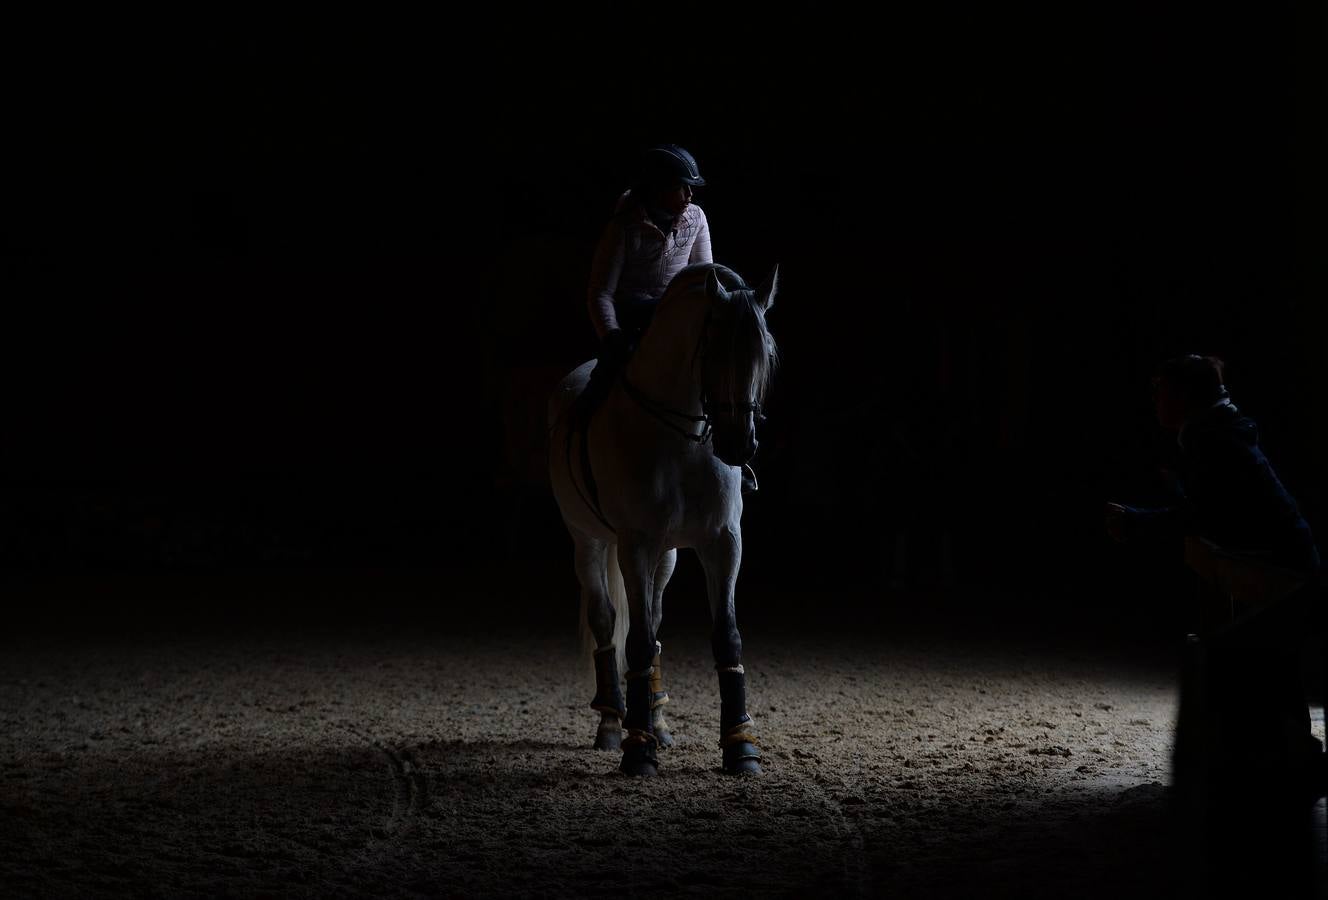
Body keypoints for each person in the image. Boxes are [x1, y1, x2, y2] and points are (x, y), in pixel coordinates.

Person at [1107, 354, 1322, 800]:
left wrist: (1136, 522)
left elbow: (1207, 518)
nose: (1155, 399)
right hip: (1285, 565)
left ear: (1184, 395)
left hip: (1283, 572)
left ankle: (1282, 759)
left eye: (1161, 389)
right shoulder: (1216, 432)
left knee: (1261, 659)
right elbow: (1222, 511)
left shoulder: (1212, 439)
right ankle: (1285, 756)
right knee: (1267, 662)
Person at [579, 144, 758, 493]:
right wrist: (611, 336)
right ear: (658, 188)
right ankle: (579, 440)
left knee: (721, 372)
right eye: (682, 186)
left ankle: (737, 458)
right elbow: (600, 293)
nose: (690, 194)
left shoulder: (697, 218)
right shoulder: (624, 228)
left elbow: (705, 277)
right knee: (601, 382)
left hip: (675, 317)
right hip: (631, 318)